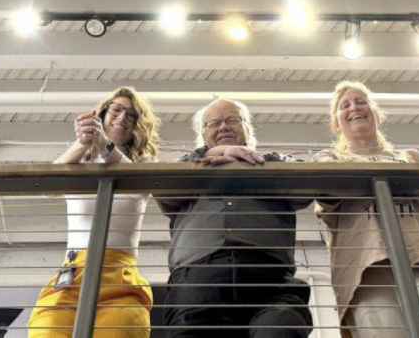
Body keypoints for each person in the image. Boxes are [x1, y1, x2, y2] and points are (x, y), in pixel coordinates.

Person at [312, 81, 419, 338]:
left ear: (376, 112)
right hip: (363, 273)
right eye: (344, 105)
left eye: (361, 101)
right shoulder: (329, 160)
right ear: (336, 123)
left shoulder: (413, 157)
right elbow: (325, 193)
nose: (354, 107)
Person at [156, 98, 313, 337]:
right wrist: (215, 156)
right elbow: (161, 190)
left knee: (281, 329)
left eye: (231, 120)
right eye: (214, 123)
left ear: (247, 128)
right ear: (203, 133)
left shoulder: (275, 161)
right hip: (198, 279)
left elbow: (307, 188)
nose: (223, 127)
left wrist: (244, 166)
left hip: (270, 279)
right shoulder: (183, 166)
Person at [28, 87, 161, 338]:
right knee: (46, 330)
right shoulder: (78, 163)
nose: (122, 117)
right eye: (116, 110)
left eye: (131, 115)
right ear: (102, 115)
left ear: (138, 126)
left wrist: (103, 144)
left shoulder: (142, 164)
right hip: (72, 273)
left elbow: (136, 186)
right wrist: (83, 141)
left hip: (119, 275)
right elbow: (47, 186)